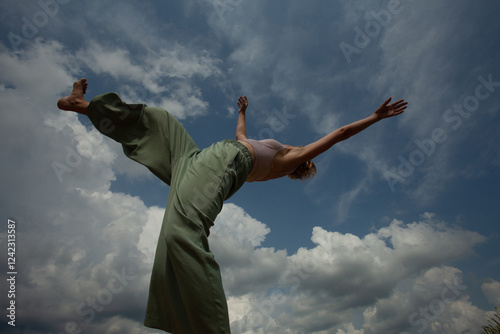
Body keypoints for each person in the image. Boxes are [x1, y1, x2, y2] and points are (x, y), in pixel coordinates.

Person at [57, 78, 407, 334]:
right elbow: (242, 137)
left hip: (218, 166)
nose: (301, 142)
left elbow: (341, 132)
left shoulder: (292, 158)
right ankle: (84, 106)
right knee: (160, 121)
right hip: (200, 156)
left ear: (302, 165)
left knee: (180, 234)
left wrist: (375, 118)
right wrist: (241, 111)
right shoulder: (271, 151)